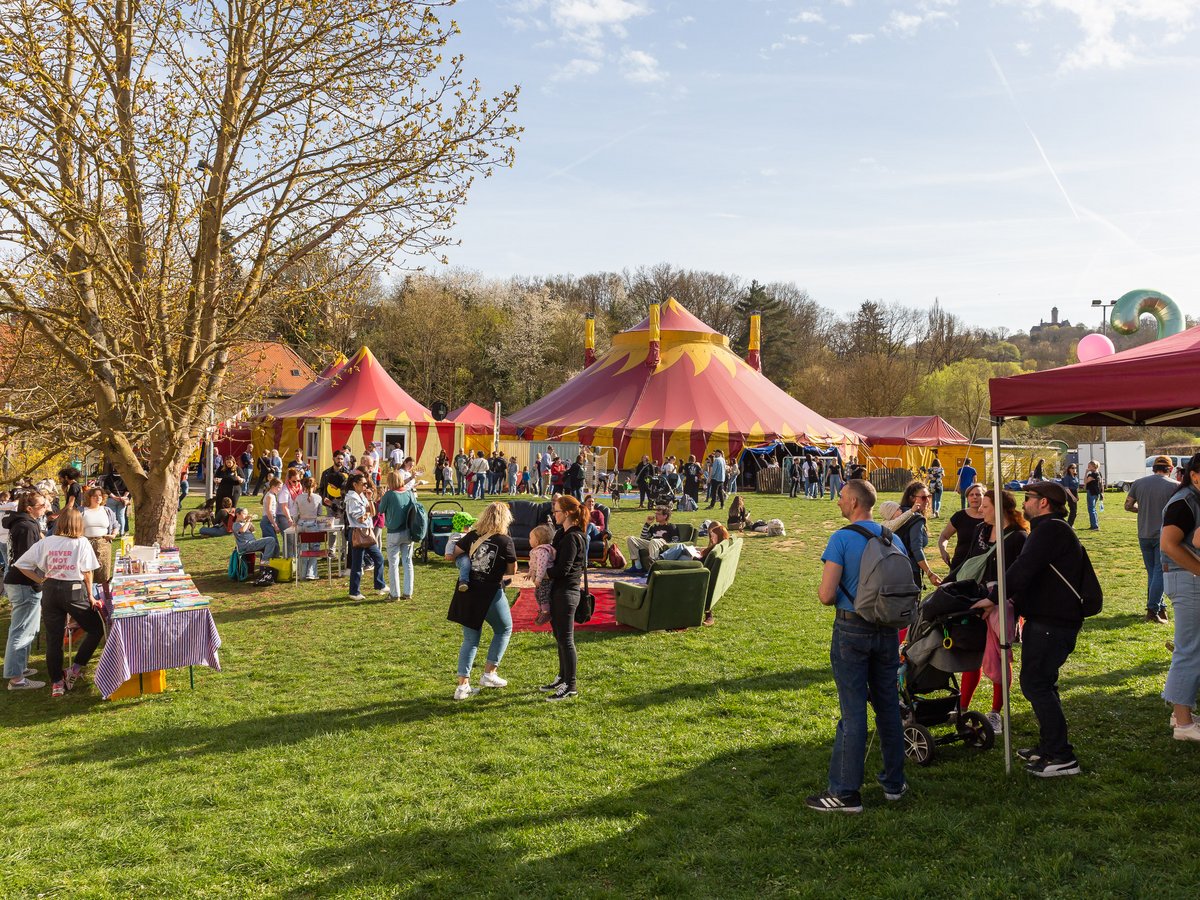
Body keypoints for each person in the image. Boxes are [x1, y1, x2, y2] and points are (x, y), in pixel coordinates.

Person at [807, 478, 908, 813]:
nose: (837, 501)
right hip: (888, 630)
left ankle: (846, 792)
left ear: (852, 501)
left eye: (840, 497)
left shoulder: (841, 539)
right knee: (888, 708)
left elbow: (825, 595)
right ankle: (894, 783)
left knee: (852, 713)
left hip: (852, 629)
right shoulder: (891, 537)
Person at [973, 481, 1086, 776]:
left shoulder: (1049, 529)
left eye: (1029, 498)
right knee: (1042, 682)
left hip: (1053, 621)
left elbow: (1024, 567)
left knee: (1036, 683)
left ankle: (1062, 756)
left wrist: (992, 598)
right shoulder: (1051, 529)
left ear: (1044, 503)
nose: (1024, 503)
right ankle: (1049, 746)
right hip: (1050, 618)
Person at [957, 489, 1027, 734]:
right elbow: (968, 562)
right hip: (976, 601)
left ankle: (996, 712)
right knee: (971, 654)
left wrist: (997, 602)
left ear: (999, 508)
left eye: (985, 506)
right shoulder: (981, 530)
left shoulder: (1019, 537)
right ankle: (962, 707)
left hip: (1002, 605)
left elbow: (1021, 577)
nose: (980, 510)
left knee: (1000, 657)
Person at [15, 508, 100, 698]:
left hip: (51, 591)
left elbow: (22, 564)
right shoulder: (81, 543)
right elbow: (87, 572)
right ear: (79, 524)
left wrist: (40, 580)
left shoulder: (46, 542)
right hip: (74, 591)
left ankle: (56, 683)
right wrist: (91, 595)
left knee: (54, 640)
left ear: (60, 523)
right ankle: (75, 669)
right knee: (96, 629)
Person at [449, 502, 516, 700]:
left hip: (467, 589)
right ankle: (489, 673)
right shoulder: (505, 541)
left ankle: (462, 686)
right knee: (504, 629)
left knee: (470, 639)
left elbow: (456, 554)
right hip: (490, 592)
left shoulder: (473, 535)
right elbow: (512, 570)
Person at [1159, 453, 1200, 742]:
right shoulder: (1185, 501)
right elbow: (1168, 545)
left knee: (1191, 648)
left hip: (1189, 579)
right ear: (1195, 475)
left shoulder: (1192, 499)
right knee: (1190, 650)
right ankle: (1184, 725)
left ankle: (1181, 713)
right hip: (1188, 580)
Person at [1126, 455, 1180, 624]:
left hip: (1144, 533)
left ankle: (1161, 607)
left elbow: (1128, 506)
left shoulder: (1139, 483)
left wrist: (1142, 510)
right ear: (1170, 469)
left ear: (1154, 467)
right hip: (1164, 535)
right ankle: (1153, 609)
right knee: (1161, 572)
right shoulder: (1175, 486)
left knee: (1153, 572)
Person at [542, 495, 586, 701]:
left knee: (566, 640)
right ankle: (563, 677)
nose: (554, 514)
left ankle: (571, 685)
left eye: (557, 511)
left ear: (567, 513)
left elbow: (562, 569)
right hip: (559, 592)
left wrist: (542, 572)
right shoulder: (563, 534)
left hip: (567, 592)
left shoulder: (572, 538)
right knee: (559, 637)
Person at [3, 492, 47, 691]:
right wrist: (41, 581)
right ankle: (16, 678)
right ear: (29, 508)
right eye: (41, 505)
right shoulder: (26, 526)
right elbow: (24, 563)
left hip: (22, 583)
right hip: (23, 584)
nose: (45, 508)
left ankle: (20, 668)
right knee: (21, 630)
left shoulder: (26, 524)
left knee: (27, 629)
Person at [893, 481, 943, 591]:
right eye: (924, 498)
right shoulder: (916, 519)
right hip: (909, 571)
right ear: (912, 498)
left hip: (891, 568)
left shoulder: (897, 514)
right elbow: (916, 548)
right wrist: (929, 573)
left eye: (929, 496)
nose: (928, 501)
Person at [378, 469, 417, 601]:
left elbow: (380, 510)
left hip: (393, 532)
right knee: (407, 562)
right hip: (408, 531)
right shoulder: (409, 493)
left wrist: (382, 496)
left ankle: (395, 594)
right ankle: (408, 592)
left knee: (393, 564)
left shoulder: (389, 495)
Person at [345, 473, 385, 600]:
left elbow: (373, 513)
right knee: (357, 564)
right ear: (355, 485)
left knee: (379, 558)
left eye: (366, 484)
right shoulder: (352, 499)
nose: (365, 487)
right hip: (358, 532)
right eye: (363, 484)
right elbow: (360, 518)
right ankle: (354, 592)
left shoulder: (361, 496)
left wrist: (369, 499)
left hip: (366, 532)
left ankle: (380, 585)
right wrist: (367, 512)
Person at [80, 486, 118, 609]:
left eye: (100, 496)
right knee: (87, 571)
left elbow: (116, 524)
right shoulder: (82, 510)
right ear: (89, 498)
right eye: (95, 496)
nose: (98, 498)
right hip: (86, 544)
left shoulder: (106, 510)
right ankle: (89, 599)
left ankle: (103, 601)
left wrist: (113, 535)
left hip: (103, 544)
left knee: (103, 573)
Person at [938, 483, 985, 578]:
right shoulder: (960, 516)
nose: (974, 497)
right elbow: (944, 536)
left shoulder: (991, 518)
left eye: (978, 494)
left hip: (982, 565)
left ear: (984, 497)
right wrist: (943, 550)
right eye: (971, 495)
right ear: (967, 498)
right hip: (960, 564)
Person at [624, 507, 680, 575]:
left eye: (658, 514)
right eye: (656, 513)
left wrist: (667, 547)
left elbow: (675, 541)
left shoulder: (671, 526)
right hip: (653, 544)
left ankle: (652, 568)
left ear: (665, 516)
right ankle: (638, 566)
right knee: (631, 539)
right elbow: (643, 537)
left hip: (664, 544)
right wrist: (647, 524)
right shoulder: (654, 527)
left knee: (654, 541)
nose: (656, 516)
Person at [700, 522, 730, 626]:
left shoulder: (714, 550)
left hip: (699, 573)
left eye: (713, 536)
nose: (711, 539)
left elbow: (701, 562)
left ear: (719, 536)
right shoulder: (720, 547)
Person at [294, 476, 324, 581]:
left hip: (301, 524)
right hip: (312, 524)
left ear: (303, 486)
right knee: (314, 549)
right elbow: (319, 513)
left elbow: (295, 514)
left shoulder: (298, 498)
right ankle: (311, 573)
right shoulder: (318, 498)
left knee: (302, 549)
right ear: (315, 486)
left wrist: (295, 522)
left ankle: (302, 573)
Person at [528, 523, 556, 626]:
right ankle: (542, 610)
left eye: (530, 538)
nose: (529, 540)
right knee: (537, 594)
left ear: (537, 540)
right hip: (541, 577)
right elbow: (533, 564)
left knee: (543, 594)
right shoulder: (536, 551)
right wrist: (530, 572)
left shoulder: (542, 551)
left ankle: (546, 613)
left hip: (545, 578)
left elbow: (541, 566)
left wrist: (539, 578)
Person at [102, 465, 131, 535]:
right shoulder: (125, 477)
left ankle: (112, 531)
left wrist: (114, 497)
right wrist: (124, 497)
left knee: (112, 516)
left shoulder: (109, 477)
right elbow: (128, 488)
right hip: (122, 500)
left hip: (111, 499)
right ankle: (122, 532)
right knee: (121, 516)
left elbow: (106, 489)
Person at [1084, 459, 1104, 530]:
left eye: (1089, 466)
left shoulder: (1092, 474)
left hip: (1091, 492)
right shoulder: (1099, 473)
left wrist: (1086, 472)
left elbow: (1085, 481)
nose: (1088, 467)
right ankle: (1095, 524)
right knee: (1094, 509)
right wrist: (1102, 492)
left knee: (1091, 509)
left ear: (1094, 466)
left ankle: (1094, 526)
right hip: (1097, 492)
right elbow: (1101, 484)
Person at [1060, 463, 1081, 527]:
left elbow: (1077, 487)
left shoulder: (1075, 477)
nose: (1074, 469)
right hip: (1070, 494)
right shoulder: (1067, 477)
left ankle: (1070, 524)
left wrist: (1077, 496)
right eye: (1072, 468)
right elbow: (1066, 488)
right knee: (1073, 511)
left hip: (1075, 493)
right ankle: (1069, 525)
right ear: (1069, 469)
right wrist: (1072, 497)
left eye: (1075, 468)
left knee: (1075, 511)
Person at [927, 453, 944, 518]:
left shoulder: (930, 469)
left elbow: (927, 477)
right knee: (938, 500)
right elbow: (943, 475)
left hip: (931, 485)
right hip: (939, 484)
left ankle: (933, 513)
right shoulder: (941, 469)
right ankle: (937, 510)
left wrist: (925, 484)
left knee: (933, 499)